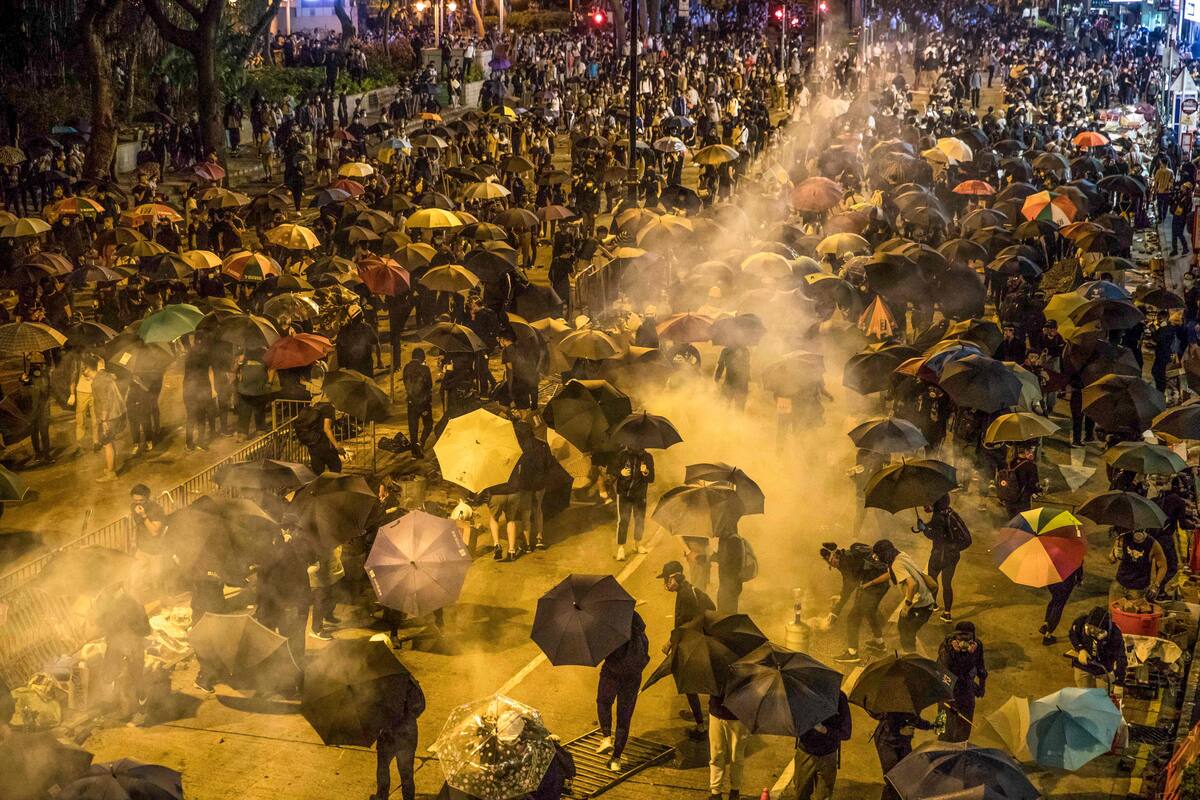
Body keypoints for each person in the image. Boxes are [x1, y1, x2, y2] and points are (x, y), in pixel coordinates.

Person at [659, 560, 714, 735]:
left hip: (691, 643)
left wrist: (671, 641)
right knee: (690, 681)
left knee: (688, 682)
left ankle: (701, 725)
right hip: (694, 640)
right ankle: (701, 717)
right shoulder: (687, 590)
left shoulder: (685, 595)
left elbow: (687, 622)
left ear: (674, 578)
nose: (665, 584)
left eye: (667, 579)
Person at [595, 609, 649, 772]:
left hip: (612, 672)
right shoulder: (638, 629)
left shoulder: (609, 624)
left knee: (604, 702)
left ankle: (606, 736)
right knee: (624, 717)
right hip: (633, 676)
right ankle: (616, 759)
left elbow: (601, 650)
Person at [820, 541, 890, 663]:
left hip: (875, 585)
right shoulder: (848, 555)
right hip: (880, 584)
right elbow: (849, 583)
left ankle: (853, 653)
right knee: (870, 612)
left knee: (853, 618)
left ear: (835, 556)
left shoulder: (846, 563)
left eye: (830, 562)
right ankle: (880, 644)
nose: (832, 565)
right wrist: (840, 597)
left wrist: (834, 613)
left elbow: (849, 586)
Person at [90, 583, 150, 722]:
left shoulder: (129, 605)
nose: (103, 591)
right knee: (111, 675)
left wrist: (129, 639)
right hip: (118, 645)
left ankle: (140, 711)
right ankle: (121, 707)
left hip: (131, 646)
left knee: (134, 679)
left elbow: (144, 628)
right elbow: (101, 622)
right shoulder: (110, 603)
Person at [869, 539, 935, 653]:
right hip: (924, 602)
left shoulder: (896, 564)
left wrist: (907, 605)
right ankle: (914, 655)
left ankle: (912, 658)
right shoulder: (901, 555)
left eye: (878, 554)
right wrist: (871, 583)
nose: (877, 557)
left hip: (920, 605)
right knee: (905, 629)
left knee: (906, 633)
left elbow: (912, 584)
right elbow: (891, 574)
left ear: (884, 554)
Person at [370, 673, 426, 800]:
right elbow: (420, 706)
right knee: (406, 772)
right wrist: (408, 716)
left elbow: (374, 710)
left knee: (383, 766)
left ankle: (382, 796)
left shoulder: (381, 683)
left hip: (388, 733)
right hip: (408, 733)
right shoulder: (410, 680)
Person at [916, 495, 970, 623]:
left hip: (939, 554)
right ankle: (947, 613)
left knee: (932, 580)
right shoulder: (950, 512)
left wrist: (924, 529)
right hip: (953, 555)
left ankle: (933, 604)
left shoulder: (937, 517)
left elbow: (935, 535)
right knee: (947, 584)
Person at [793, 690, 852, 800]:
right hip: (806, 753)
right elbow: (793, 723)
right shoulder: (804, 695)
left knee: (824, 796)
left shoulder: (839, 698)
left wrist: (825, 730)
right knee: (801, 794)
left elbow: (846, 733)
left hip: (827, 756)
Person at [936, 621, 987, 742]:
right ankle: (939, 743)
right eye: (961, 637)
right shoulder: (946, 647)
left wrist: (982, 685)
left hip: (966, 688)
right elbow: (943, 670)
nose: (964, 642)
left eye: (967, 638)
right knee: (942, 724)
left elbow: (980, 667)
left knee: (965, 724)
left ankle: (961, 746)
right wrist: (953, 652)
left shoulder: (977, 645)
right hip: (946, 688)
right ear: (955, 636)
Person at [873, 711, 935, 800]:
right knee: (892, 777)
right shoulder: (894, 704)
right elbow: (880, 715)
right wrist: (901, 726)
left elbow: (914, 718)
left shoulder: (911, 702)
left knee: (906, 772)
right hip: (887, 740)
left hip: (903, 739)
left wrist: (930, 725)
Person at [1068, 606, 1127, 689]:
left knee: (1102, 696)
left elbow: (1121, 657)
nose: (1092, 632)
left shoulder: (1114, 634)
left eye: (1096, 631)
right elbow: (1073, 635)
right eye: (1089, 628)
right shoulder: (1080, 623)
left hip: (1103, 670)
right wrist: (1081, 649)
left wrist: (1119, 682)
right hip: (1083, 667)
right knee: (1084, 695)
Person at [613, 446, 654, 561]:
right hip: (624, 494)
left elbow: (651, 478)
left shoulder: (647, 457)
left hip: (640, 495)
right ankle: (621, 548)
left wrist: (646, 471)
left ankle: (637, 543)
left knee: (639, 519)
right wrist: (621, 472)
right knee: (623, 521)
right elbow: (612, 471)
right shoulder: (622, 455)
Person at [1109, 528, 1167, 603]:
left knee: (1132, 614)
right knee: (1113, 613)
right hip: (1119, 585)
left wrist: (1156, 586)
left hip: (1138, 590)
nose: (1138, 530)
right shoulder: (1123, 538)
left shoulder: (1152, 544)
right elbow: (1112, 560)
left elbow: (1162, 566)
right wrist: (1114, 553)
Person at [92, 358, 126, 481]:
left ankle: (111, 473)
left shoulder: (98, 382)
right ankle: (111, 468)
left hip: (109, 417)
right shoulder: (106, 376)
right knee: (110, 442)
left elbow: (105, 403)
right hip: (116, 414)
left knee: (107, 443)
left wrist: (104, 421)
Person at [295, 394, 343, 474]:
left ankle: (319, 485)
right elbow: (326, 429)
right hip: (324, 443)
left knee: (318, 471)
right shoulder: (329, 408)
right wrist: (337, 447)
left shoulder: (316, 406)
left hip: (312, 443)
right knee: (336, 467)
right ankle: (332, 486)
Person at [402, 348, 434, 457]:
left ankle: (414, 451)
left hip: (411, 402)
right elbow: (430, 385)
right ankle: (422, 442)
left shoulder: (406, 368)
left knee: (413, 427)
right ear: (422, 357)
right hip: (424, 403)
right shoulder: (425, 369)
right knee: (428, 424)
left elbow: (404, 382)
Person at [1041, 565, 1083, 645]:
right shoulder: (1074, 553)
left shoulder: (1052, 552)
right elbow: (1078, 564)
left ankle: (1046, 624)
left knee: (1055, 599)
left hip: (1051, 579)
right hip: (1065, 582)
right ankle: (1048, 635)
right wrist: (1079, 578)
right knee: (1059, 605)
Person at [996, 444, 1039, 517]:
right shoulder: (1031, 466)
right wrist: (1038, 490)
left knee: (1012, 521)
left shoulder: (1009, 462)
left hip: (1009, 499)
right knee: (1022, 522)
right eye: (1031, 450)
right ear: (1026, 451)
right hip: (1022, 500)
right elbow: (1032, 484)